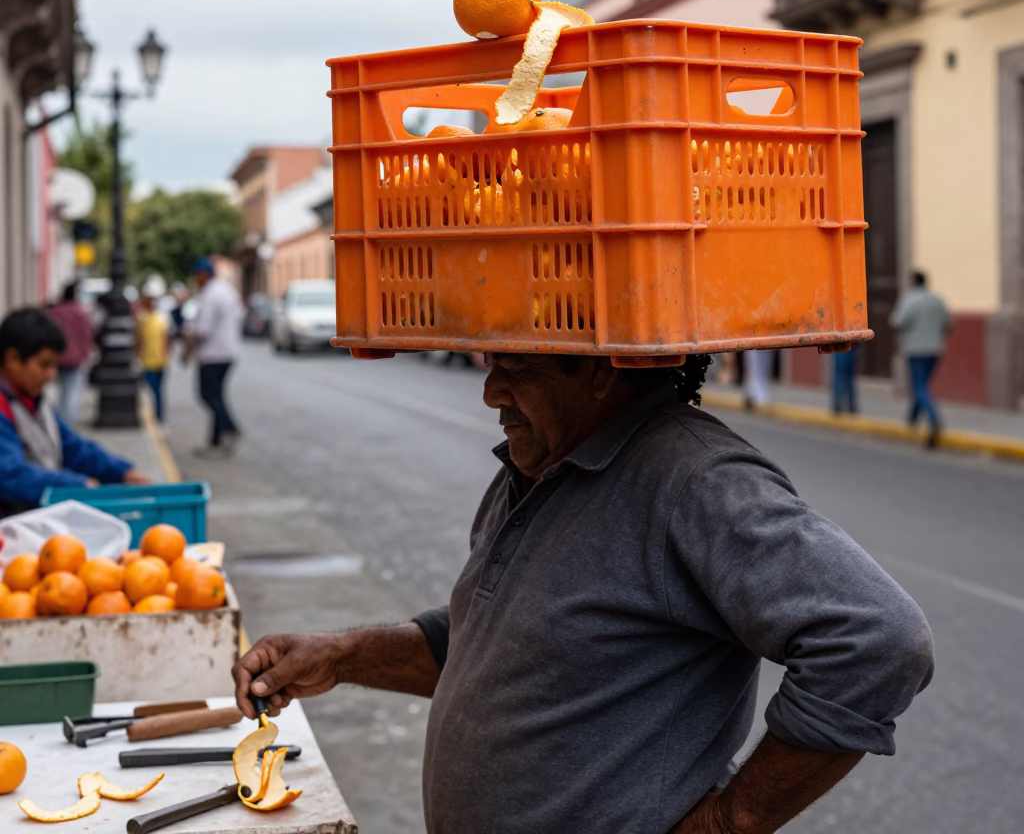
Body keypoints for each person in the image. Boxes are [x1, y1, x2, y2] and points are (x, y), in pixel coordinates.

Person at [234, 353, 935, 834]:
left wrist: (730, 822)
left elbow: (878, 641)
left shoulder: (692, 477)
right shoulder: (538, 462)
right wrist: (341, 655)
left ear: (600, 370)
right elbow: (499, 644)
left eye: (516, 368)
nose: (490, 392)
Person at [0, 308, 151, 517]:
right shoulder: (4, 406)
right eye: (44, 365)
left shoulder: (34, 401)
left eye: (54, 365)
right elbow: (9, 474)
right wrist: (75, 484)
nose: (51, 375)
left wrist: (121, 472)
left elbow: (72, 447)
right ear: (13, 360)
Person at [184, 257, 243, 458]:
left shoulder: (210, 294)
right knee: (217, 395)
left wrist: (188, 345)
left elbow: (202, 330)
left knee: (208, 395)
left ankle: (230, 427)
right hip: (227, 351)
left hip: (213, 354)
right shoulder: (226, 290)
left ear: (204, 274)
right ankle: (215, 442)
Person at [890, 270, 952, 448]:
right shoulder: (938, 300)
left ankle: (934, 420)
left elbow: (898, 322)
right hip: (935, 350)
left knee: (919, 386)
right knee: (922, 384)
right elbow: (948, 324)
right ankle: (912, 418)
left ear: (913, 282)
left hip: (915, 350)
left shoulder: (910, 300)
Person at [46, 281, 94, 424]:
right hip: (76, 358)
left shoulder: (55, 312)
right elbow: (87, 335)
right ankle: (68, 422)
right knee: (72, 392)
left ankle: (61, 420)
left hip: (57, 357)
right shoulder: (81, 313)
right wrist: (85, 353)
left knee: (61, 391)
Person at [136, 283, 171, 424]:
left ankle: (159, 418)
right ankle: (153, 417)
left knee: (156, 391)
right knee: (150, 392)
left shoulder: (161, 318)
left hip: (158, 361)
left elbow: (166, 340)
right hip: (146, 360)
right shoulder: (142, 318)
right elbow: (138, 340)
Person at [831, 345, 858, 414]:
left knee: (844, 374)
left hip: (843, 343)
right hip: (843, 343)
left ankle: (840, 403)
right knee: (843, 374)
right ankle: (842, 403)